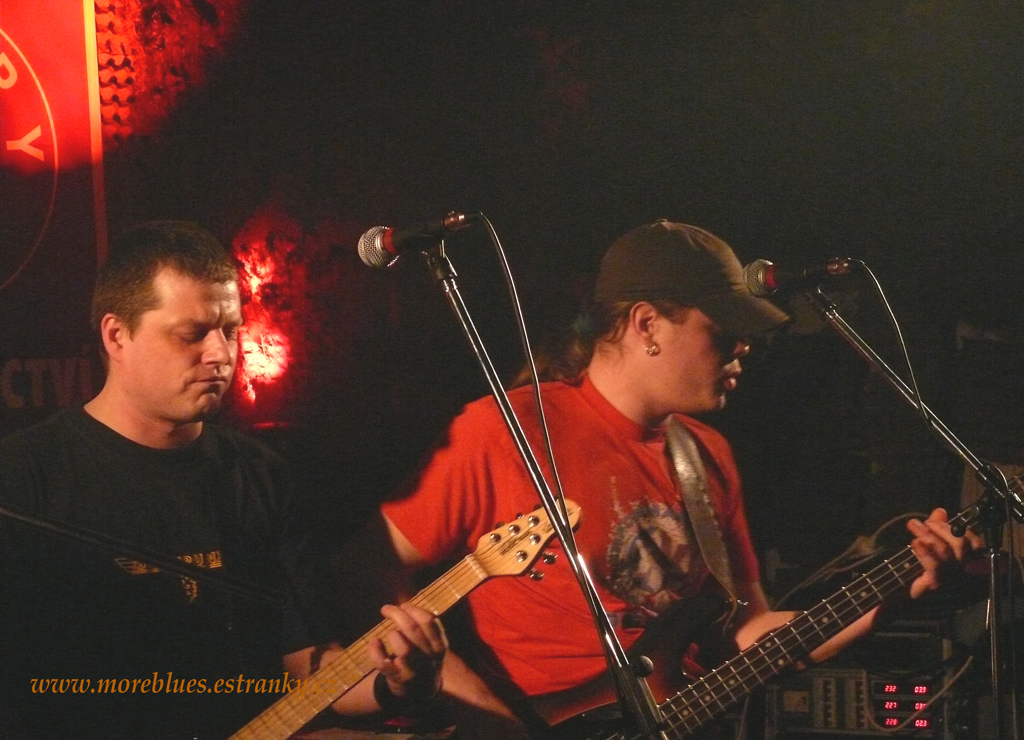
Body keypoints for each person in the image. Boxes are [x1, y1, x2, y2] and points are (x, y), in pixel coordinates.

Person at [360, 220, 980, 739]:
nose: (743, 347)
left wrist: (896, 594)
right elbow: (364, 571)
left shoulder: (707, 456)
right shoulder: (508, 429)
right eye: (722, 329)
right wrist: (480, 713)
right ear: (647, 324)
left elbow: (748, 637)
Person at [0, 221, 446, 740]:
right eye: (191, 334)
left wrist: (398, 683)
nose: (221, 353)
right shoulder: (24, 479)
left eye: (230, 329)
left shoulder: (258, 475)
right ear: (117, 336)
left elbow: (304, 663)